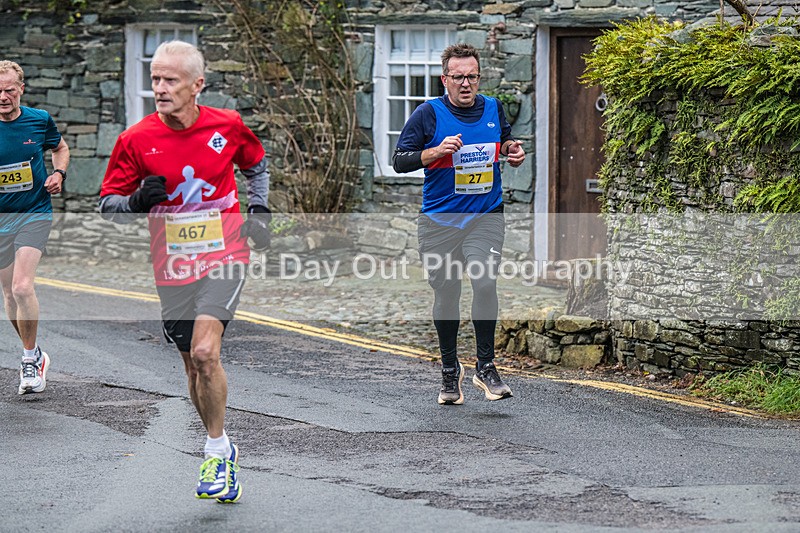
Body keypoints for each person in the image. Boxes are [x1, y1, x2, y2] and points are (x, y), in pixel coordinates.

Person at [99, 41, 271, 503]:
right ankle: (223, 444)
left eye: (170, 79)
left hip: (225, 254)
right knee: (193, 367)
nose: (159, 88)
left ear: (197, 85)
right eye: (155, 78)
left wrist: (259, 209)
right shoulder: (135, 139)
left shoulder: (227, 125)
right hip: (172, 266)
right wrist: (136, 202)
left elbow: (256, 166)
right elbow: (107, 205)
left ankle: (214, 452)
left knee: (205, 352)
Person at [393, 43, 526, 405]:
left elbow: (504, 141)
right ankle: (450, 370)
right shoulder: (428, 114)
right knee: (447, 294)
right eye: (458, 77)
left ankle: (486, 366)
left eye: (472, 76)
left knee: (484, 282)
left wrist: (512, 151)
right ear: (445, 79)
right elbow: (399, 161)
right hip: (439, 222)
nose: (466, 83)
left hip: (486, 215)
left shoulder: (493, 108)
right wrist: (435, 152)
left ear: (479, 77)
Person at [0, 60, 69, 395]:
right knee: (9, 293)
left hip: (34, 212)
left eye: (9, 90)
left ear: (21, 89)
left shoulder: (39, 120)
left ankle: (29, 359)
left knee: (22, 287)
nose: (3, 96)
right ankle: (36, 352)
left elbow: (60, 148)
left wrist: (59, 173)